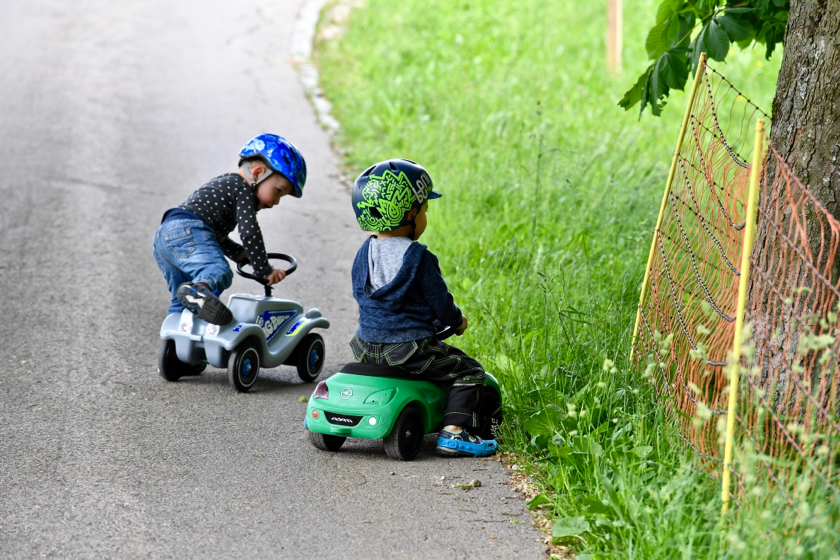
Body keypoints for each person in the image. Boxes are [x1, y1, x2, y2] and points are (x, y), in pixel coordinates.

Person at [349, 158, 497, 458]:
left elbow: (359, 294)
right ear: (411, 213)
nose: (426, 217)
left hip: (365, 346)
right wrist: (457, 322)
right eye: (425, 210)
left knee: (425, 361)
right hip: (408, 349)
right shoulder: (419, 258)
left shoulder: (364, 251)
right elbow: (441, 304)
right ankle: (455, 433)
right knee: (469, 371)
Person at [152, 133, 306, 325]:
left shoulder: (228, 185)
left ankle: (174, 344)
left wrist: (241, 254)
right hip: (189, 231)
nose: (276, 202)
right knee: (217, 270)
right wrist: (263, 269)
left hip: (166, 237)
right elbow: (250, 232)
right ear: (258, 174)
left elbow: (215, 238)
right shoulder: (242, 188)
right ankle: (198, 291)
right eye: (278, 191)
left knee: (181, 302)